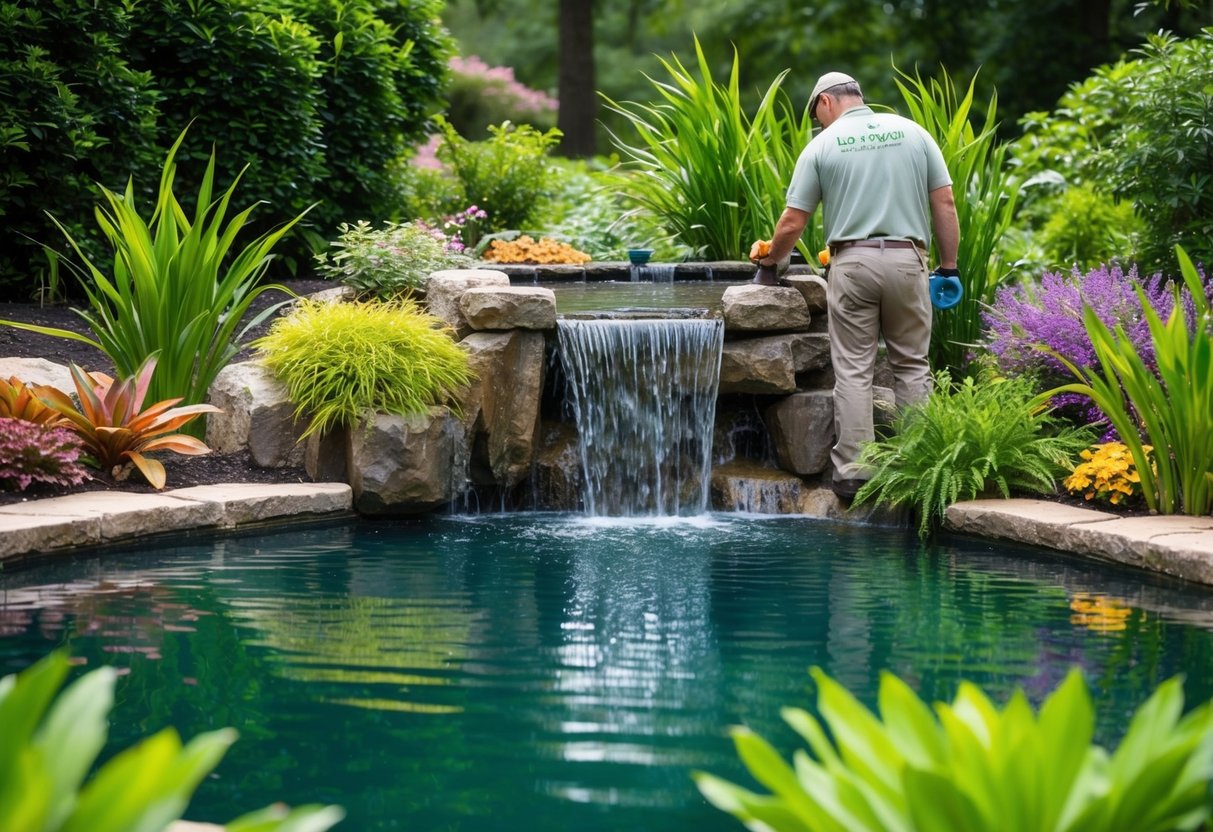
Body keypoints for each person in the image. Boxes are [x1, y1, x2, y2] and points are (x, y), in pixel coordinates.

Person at [751, 70, 960, 501]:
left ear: (825, 102)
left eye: (817, 115)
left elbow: (793, 221)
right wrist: (949, 266)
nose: (819, 123)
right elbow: (945, 202)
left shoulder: (822, 146)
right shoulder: (913, 132)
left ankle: (853, 473)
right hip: (908, 260)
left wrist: (772, 258)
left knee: (853, 370)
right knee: (912, 366)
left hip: (852, 264)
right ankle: (919, 466)